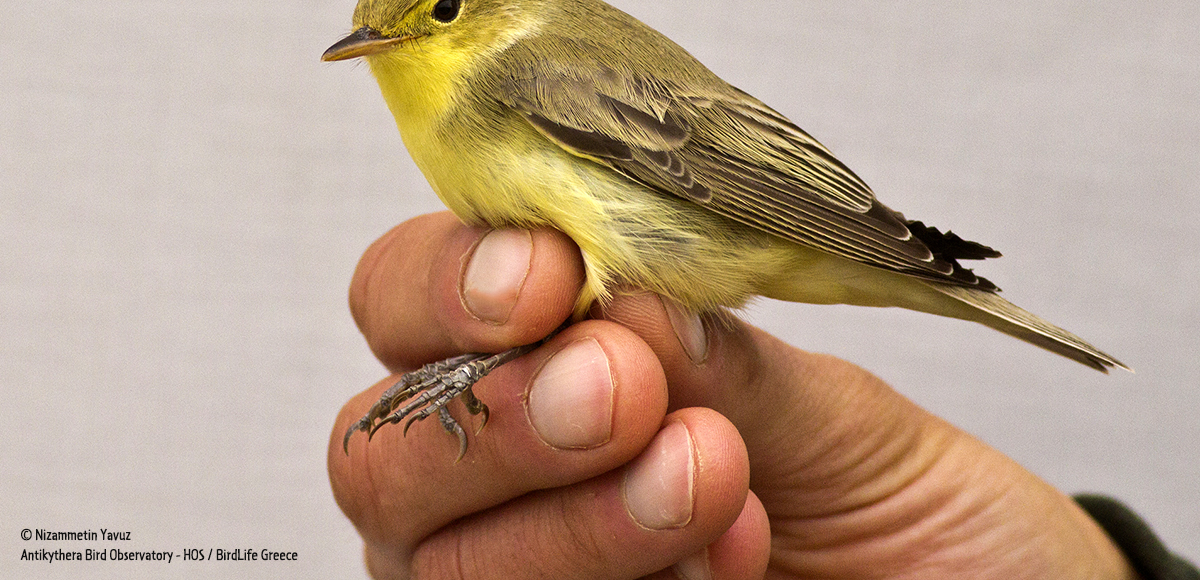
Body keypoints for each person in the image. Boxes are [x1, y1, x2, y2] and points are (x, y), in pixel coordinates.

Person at [329, 213, 1196, 579]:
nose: (381, 45)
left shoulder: (516, 70)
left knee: (564, 315)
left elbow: (707, 160)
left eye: (437, 15)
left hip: (721, 225)